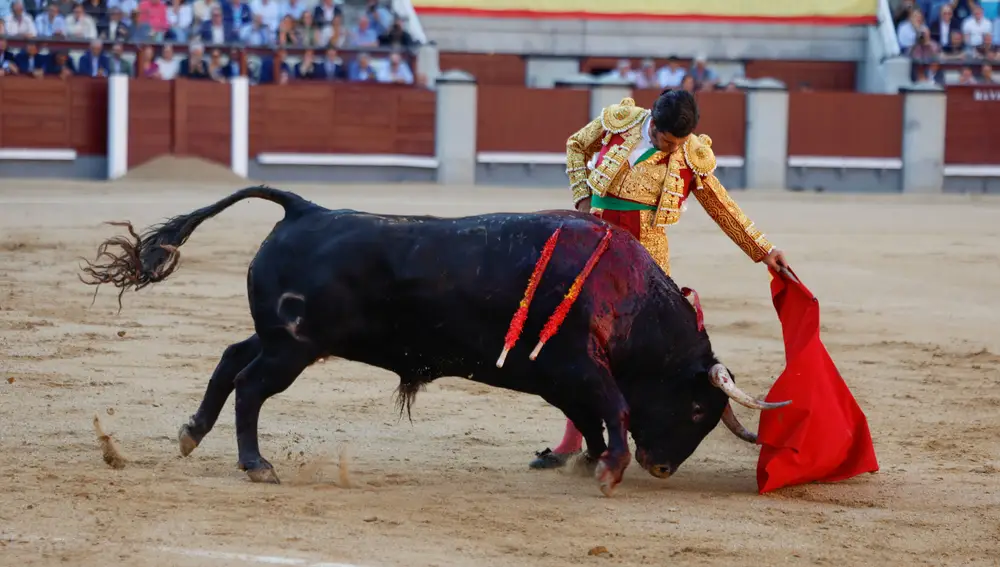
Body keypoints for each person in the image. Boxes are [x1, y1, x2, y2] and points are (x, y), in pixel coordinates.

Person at [530, 89, 790, 470]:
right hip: (597, 243)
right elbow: (575, 146)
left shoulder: (690, 154)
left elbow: (722, 207)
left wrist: (763, 250)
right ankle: (577, 439)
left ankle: (634, 432)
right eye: (666, 141)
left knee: (634, 350)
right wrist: (583, 199)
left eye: (678, 143)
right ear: (652, 121)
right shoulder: (622, 122)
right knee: (582, 339)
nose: (671, 149)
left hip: (646, 258)